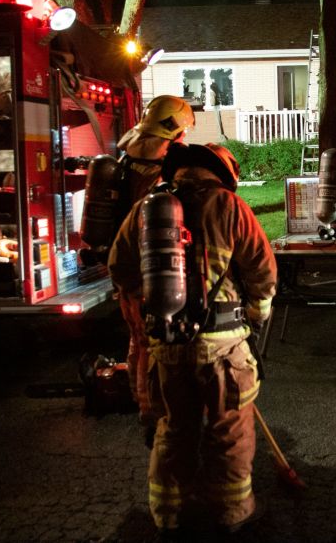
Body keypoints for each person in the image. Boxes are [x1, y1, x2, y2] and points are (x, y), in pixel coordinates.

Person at [108, 142, 276, 537]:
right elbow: (263, 271)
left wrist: (149, 301)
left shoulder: (147, 209)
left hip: (167, 343)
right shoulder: (230, 207)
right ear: (222, 173)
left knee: (173, 428)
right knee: (228, 429)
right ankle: (233, 512)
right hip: (223, 346)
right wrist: (257, 313)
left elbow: (119, 266)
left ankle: (168, 515)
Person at [114, 95, 196, 440]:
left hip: (127, 266)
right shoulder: (161, 168)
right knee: (155, 343)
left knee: (138, 339)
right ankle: (153, 416)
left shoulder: (127, 159)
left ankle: (142, 405)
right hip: (155, 267)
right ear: (175, 129)